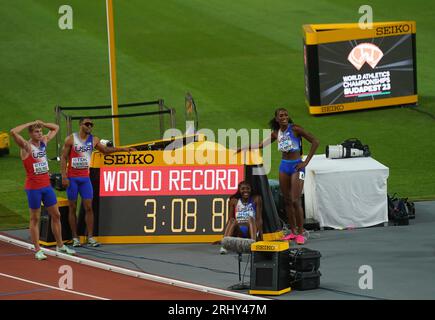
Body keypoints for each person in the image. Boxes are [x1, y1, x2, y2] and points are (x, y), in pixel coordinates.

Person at [238, 108, 319, 245]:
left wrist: (305, 162)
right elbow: (260, 145)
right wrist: (245, 147)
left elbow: (315, 141)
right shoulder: (276, 133)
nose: (284, 117)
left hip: (296, 166)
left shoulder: (295, 129)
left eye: (286, 115)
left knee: (295, 200)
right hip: (284, 166)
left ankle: (300, 232)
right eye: (281, 116)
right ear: (276, 119)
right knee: (287, 200)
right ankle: (292, 231)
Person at [61, 117, 136, 247]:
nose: (89, 126)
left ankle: (91, 237)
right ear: (80, 125)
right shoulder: (71, 139)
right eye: (87, 124)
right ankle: (75, 237)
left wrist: (123, 149)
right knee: (72, 208)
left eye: (91, 124)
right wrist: (63, 176)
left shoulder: (94, 140)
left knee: (89, 207)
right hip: (72, 178)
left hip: (85, 179)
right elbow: (63, 157)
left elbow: (106, 151)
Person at [10, 120, 76, 260]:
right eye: (36, 131)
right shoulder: (26, 147)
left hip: (46, 186)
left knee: (56, 215)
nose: (40, 133)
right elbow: (13, 132)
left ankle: (60, 245)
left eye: (40, 131)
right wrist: (30, 123)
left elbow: (56, 128)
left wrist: (42, 124)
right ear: (30, 133)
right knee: (35, 218)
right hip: (33, 188)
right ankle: (38, 250)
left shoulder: (44, 142)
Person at [220, 181, 263, 254]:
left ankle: (253, 245)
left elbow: (259, 219)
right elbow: (229, 220)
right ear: (239, 190)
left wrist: (261, 237)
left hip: (251, 229)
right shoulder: (234, 201)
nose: (245, 191)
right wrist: (223, 238)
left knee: (251, 219)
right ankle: (224, 246)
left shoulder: (256, 199)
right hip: (239, 230)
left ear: (251, 190)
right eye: (243, 189)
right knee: (232, 220)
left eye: (248, 189)